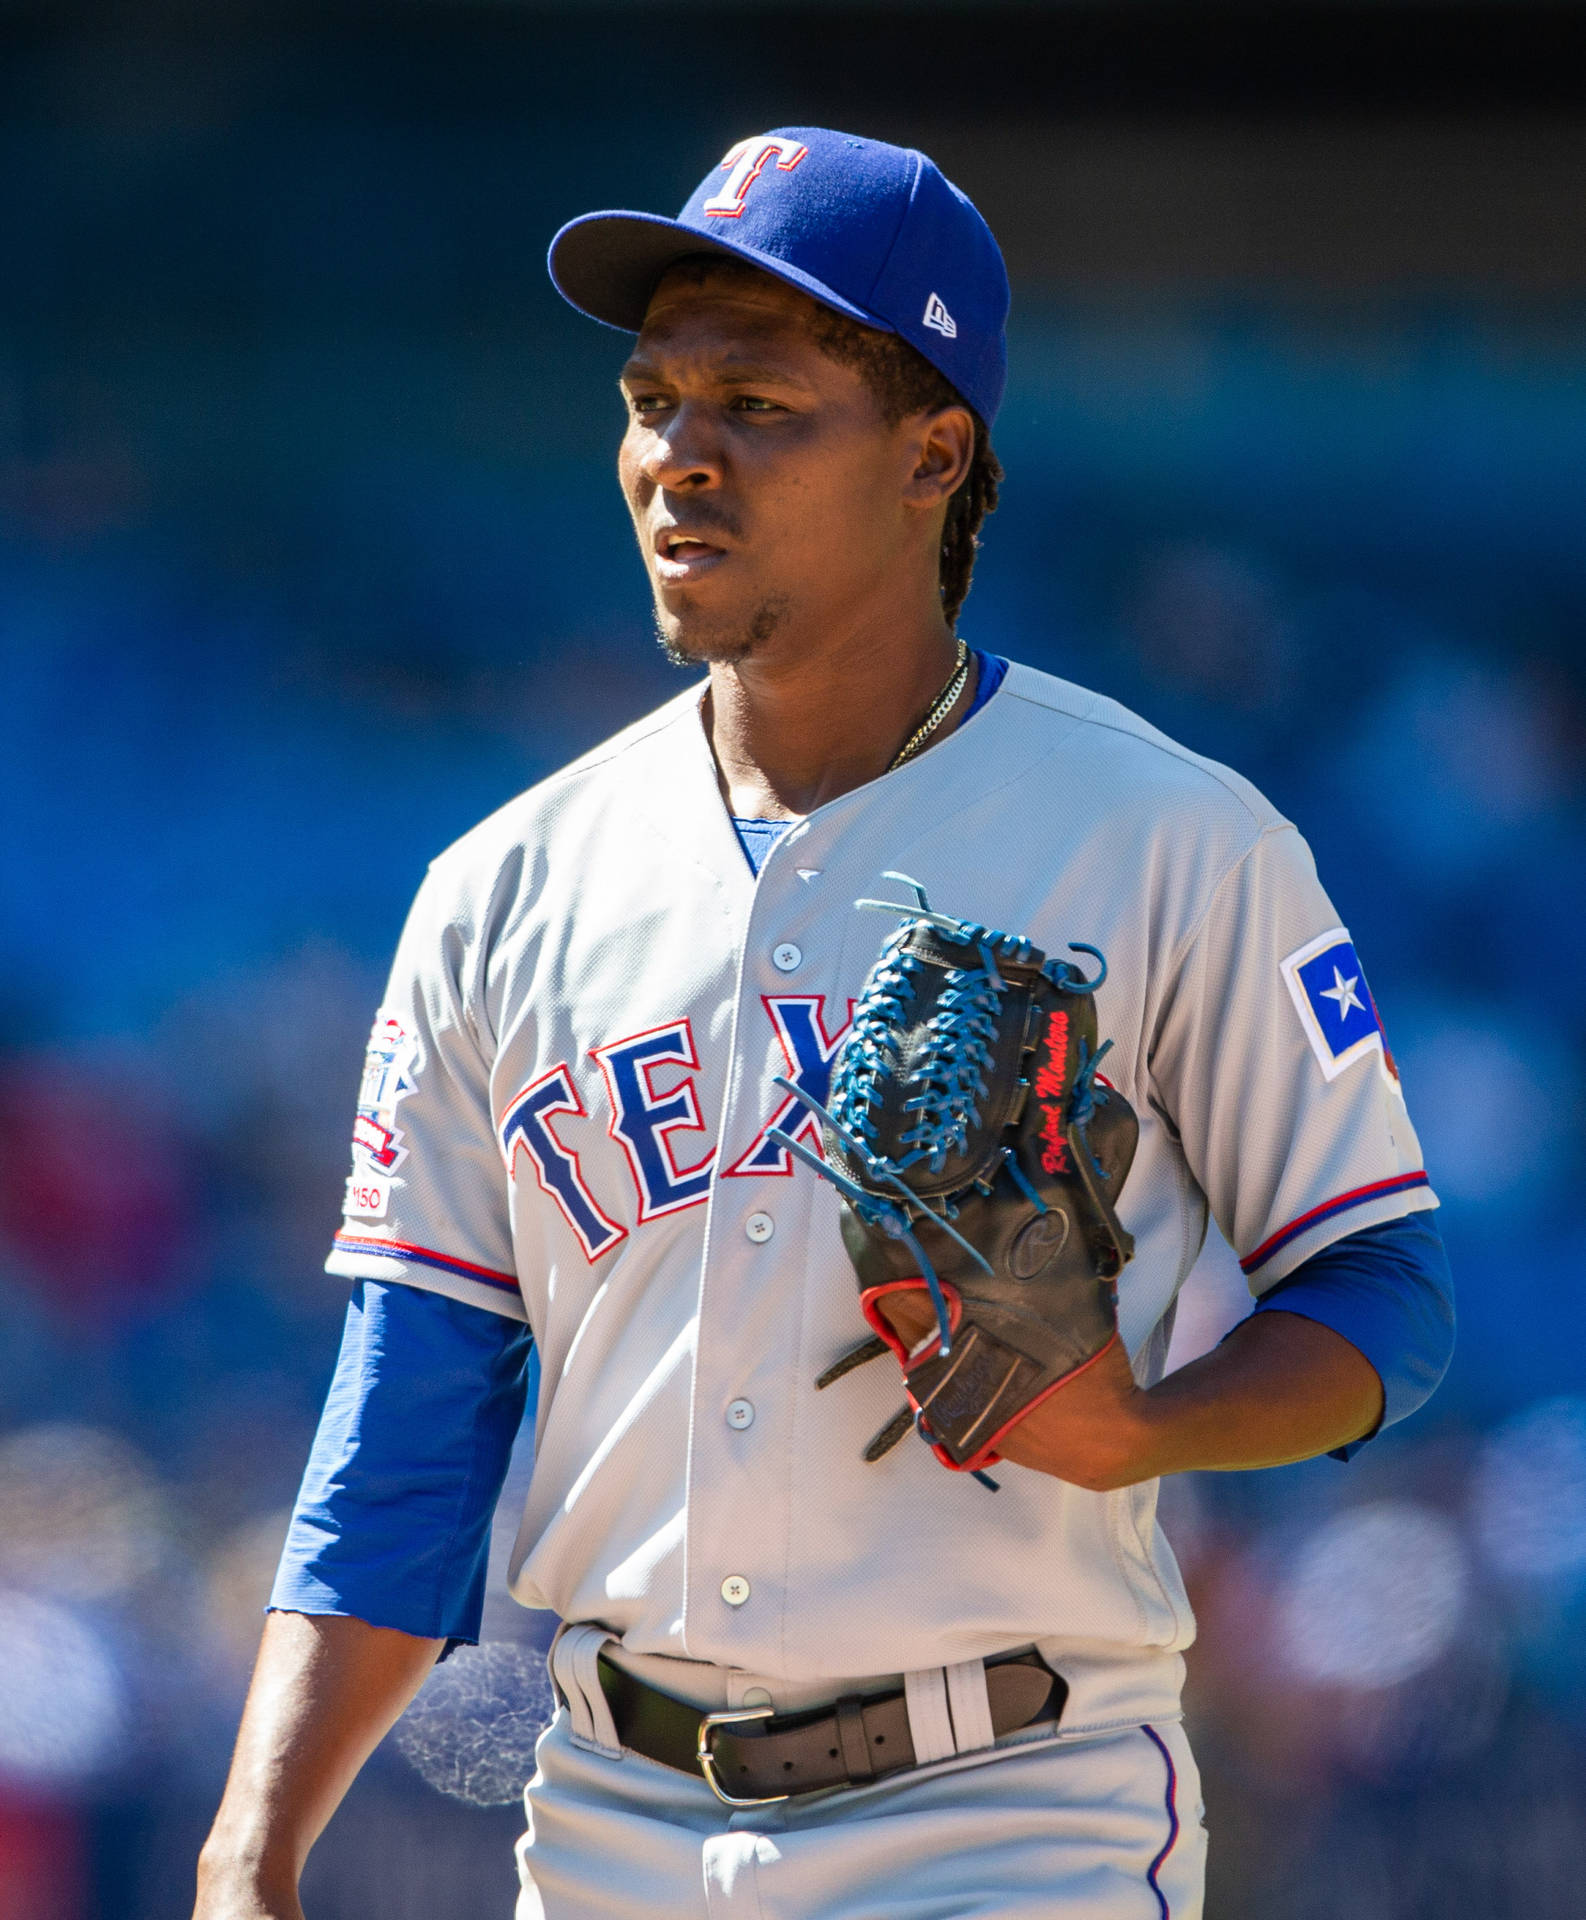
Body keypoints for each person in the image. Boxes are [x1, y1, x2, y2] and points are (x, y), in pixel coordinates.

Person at [193, 128, 1454, 1920]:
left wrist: (1140, 1429)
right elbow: (407, 1424)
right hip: (609, 1817)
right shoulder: (502, 885)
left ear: (934, 452)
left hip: (1010, 1811)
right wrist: (253, 1849)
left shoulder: (1169, 836)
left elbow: (1384, 1299)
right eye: (651, 399)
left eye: (758, 405)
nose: (676, 456)